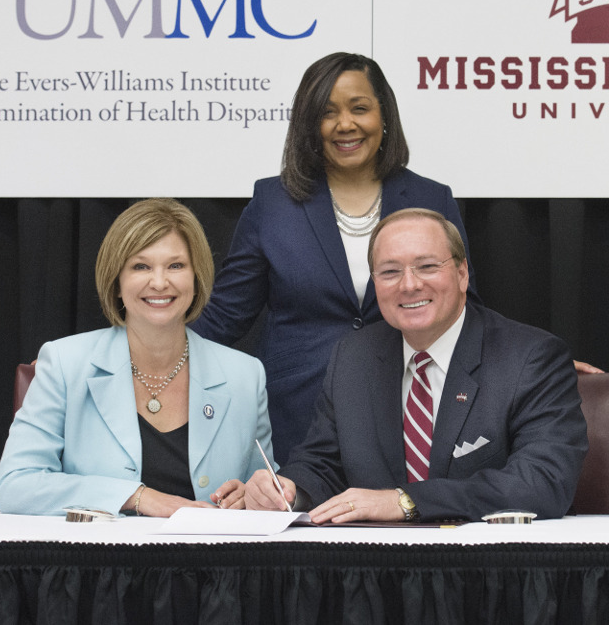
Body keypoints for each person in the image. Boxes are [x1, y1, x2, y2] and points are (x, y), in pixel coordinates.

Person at [190, 52, 481, 464]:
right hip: (296, 413)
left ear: (384, 115)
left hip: (407, 409)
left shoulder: (431, 198)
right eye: (328, 113)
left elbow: (466, 306)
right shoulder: (272, 204)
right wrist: (148, 356)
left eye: (359, 108)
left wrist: (530, 365)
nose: (345, 124)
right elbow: (225, 315)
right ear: (311, 125)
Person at [244, 208, 589, 522]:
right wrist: (289, 489)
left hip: (491, 574)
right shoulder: (353, 358)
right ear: (375, 283)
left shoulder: (531, 358)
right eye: (390, 272)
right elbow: (323, 464)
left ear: (462, 273)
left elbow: (543, 481)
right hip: (377, 573)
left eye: (427, 267)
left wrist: (406, 500)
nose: (409, 285)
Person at [0, 198, 274, 517]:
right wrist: (137, 496)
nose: (159, 282)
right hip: (100, 563)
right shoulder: (63, 362)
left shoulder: (245, 376)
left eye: (176, 266)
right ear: (116, 281)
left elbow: (263, 486)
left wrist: (252, 495)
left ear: (196, 279)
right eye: (141, 266)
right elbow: (16, 486)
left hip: (209, 561)